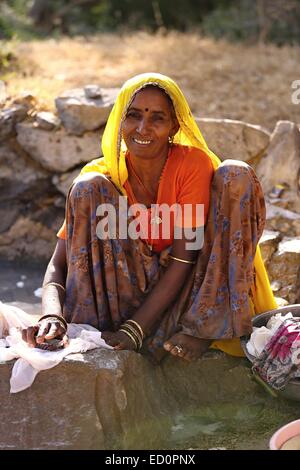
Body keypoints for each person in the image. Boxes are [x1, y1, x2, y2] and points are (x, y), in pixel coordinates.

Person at [22, 72, 277, 363]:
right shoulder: (102, 177)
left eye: (157, 118)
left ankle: (202, 329)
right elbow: (59, 263)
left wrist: (135, 330)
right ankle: (94, 327)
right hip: (122, 303)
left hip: (185, 295)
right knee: (86, 187)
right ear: (119, 121)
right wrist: (52, 315)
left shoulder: (191, 165)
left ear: (173, 126)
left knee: (236, 174)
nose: (143, 128)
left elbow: (185, 257)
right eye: (133, 116)